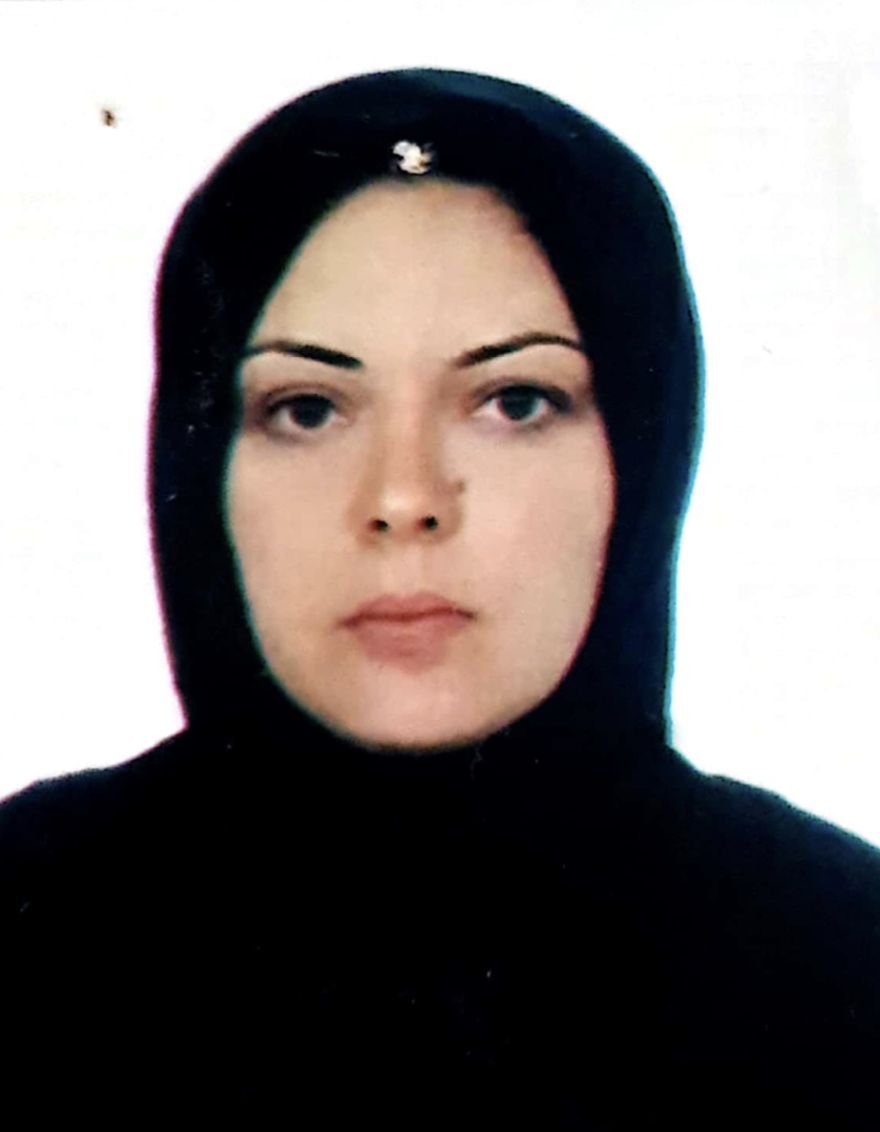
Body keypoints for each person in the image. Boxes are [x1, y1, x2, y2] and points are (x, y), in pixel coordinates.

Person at [1, 68, 878, 1127]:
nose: (403, 498)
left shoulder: (841, 958)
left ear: (641, 454)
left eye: (514, 401)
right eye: (308, 408)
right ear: (199, 458)